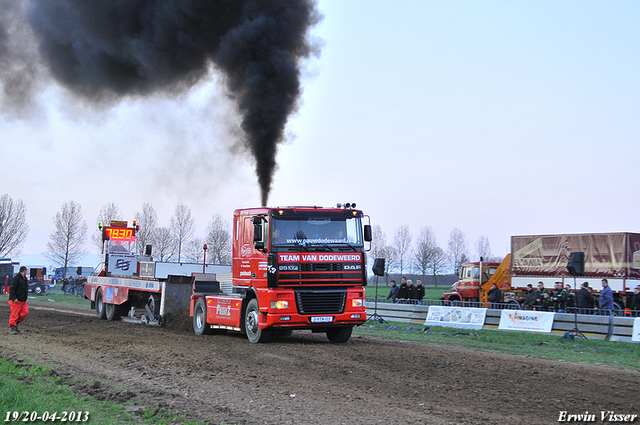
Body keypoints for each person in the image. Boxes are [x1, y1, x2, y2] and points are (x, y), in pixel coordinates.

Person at [8, 266, 29, 335]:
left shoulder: (25, 279)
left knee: (25, 313)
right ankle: (12, 327)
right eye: (26, 271)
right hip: (16, 300)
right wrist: (14, 298)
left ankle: (15, 323)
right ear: (24, 271)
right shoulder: (16, 279)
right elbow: (12, 288)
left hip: (23, 300)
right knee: (14, 314)